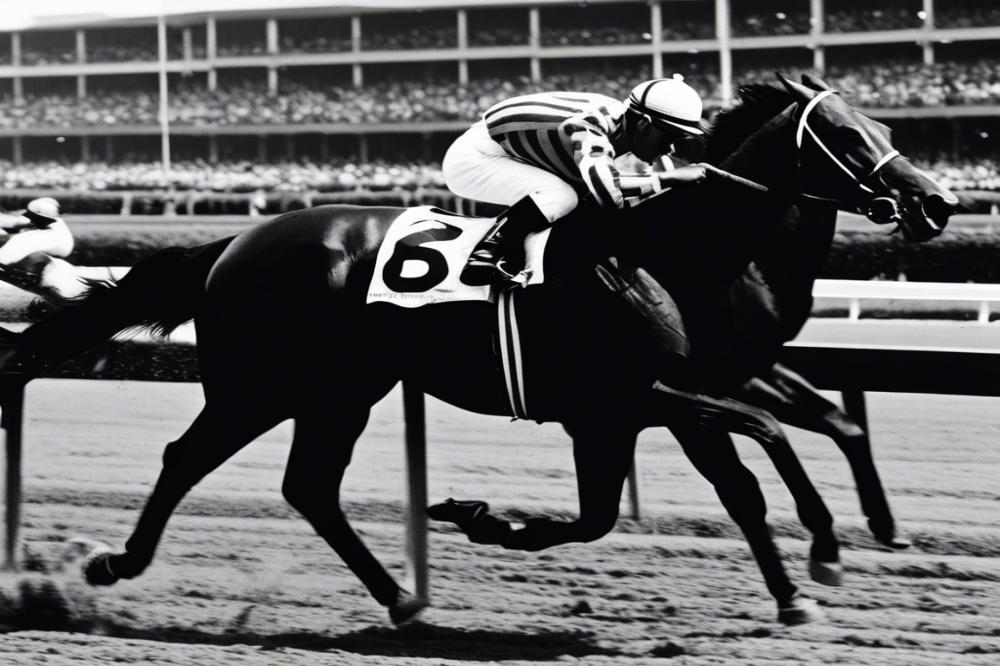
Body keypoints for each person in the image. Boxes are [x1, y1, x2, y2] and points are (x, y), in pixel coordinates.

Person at [443, 75, 708, 286]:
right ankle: (488, 251)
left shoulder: (617, 123)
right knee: (561, 196)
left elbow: (605, 189)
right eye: (670, 137)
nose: (671, 149)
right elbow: (607, 191)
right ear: (643, 125)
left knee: (576, 197)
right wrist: (669, 178)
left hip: (512, 149)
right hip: (476, 157)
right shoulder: (589, 127)